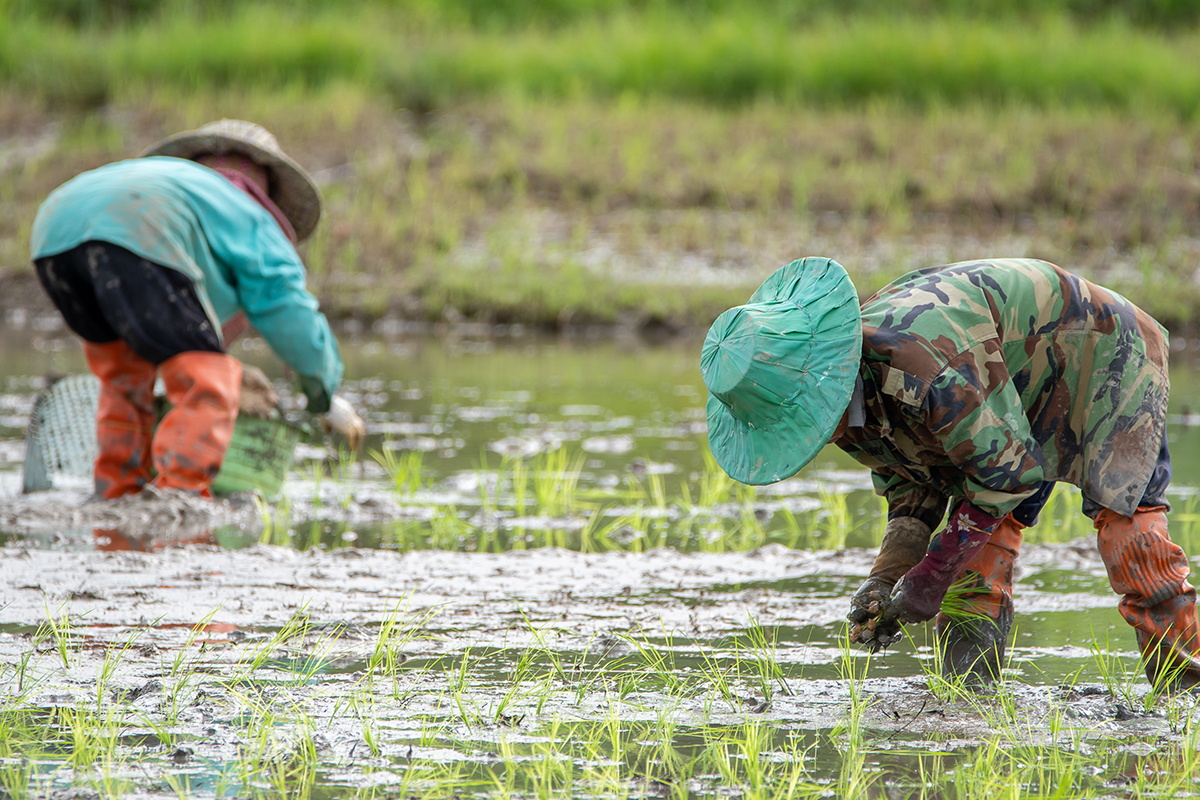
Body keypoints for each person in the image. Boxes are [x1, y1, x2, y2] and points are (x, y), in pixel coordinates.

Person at [701, 256, 1200, 688]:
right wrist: (888, 577)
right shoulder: (849, 405)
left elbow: (1006, 477)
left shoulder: (926, 370)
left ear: (827, 378)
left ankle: (1188, 695)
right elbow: (914, 479)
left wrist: (931, 576)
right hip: (1004, 385)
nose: (812, 432)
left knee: (1130, 534)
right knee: (973, 554)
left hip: (1097, 348)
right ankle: (968, 700)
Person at [29, 119, 364, 500]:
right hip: (138, 228)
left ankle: (115, 494)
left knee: (125, 376)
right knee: (207, 383)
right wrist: (323, 393)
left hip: (53, 231)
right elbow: (290, 312)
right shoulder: (249, 213)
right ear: (266, 189)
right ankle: (180, 498)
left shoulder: (176, 187)